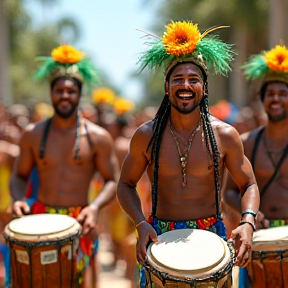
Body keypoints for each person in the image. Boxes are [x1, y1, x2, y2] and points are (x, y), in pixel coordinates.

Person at [116, 20, 260, 287]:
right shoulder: (146, 136)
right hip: (159, 237)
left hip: (211, 239)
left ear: (204, 88)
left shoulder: (225, 135)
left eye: (193, 79)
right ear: (166, 87)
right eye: (177, 79)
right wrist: (139, 223)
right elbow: (125, 185)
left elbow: (248, 183)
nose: (185, 85)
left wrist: (247, 223)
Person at [10, 44, 119, 288]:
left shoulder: (98, 137)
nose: (64, 96)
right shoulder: (33, 134)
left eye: (70, 91)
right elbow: (19, 176)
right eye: (59, 90)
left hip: (81, 220)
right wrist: (18, 198)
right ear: (51, 93)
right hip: (39, 220)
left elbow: (113, 180)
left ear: (79, 94)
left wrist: (94, 207)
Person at [223, 44, 288, 288]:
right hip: (259, 237)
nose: (276, 99)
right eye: (270, 94)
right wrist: (248, 217)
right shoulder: (248, 142)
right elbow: (229, 192)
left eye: (283, 93)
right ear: (263, 100)